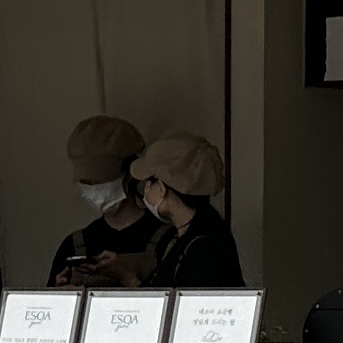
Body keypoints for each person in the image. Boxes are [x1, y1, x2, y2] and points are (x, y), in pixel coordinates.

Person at [46, 116, 159, 288]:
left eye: (100, 181)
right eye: (86, 182)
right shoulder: (74, 245)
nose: (93, 188)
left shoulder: (167, 240)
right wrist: (60, 296)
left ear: (130, 173)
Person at [129, 134, 244, 289]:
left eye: (149, 182)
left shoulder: (204, 250)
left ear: (162, 188)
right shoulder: (187, 233)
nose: (146, 189)